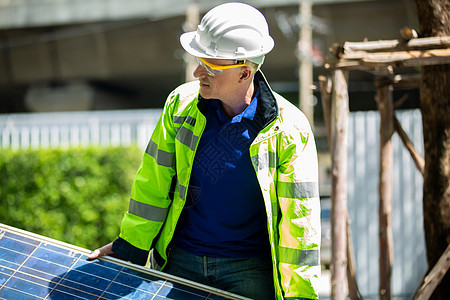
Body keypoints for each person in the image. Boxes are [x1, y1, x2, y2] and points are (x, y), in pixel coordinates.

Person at [89, 2, 321, 299]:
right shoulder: (180, 106)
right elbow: (153, 183)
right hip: (181, 262)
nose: (198, 72)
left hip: (250, 270)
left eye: (210, 66)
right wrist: (130, 247)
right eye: (198, 60)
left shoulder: (289, 130)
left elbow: (299, 223)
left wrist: (300, 296)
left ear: (244, 73)